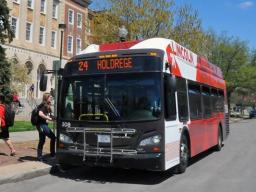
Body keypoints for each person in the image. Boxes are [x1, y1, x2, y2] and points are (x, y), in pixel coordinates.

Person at [36, 93, 56, 161]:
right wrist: (48, 118)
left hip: (43, 125)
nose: (51, 98)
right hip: (41, 125)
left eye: (51, 97)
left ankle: (40, 156)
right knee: (52, 137)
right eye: (50, 97)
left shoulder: (48, 106)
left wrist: (55, 118)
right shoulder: (43, 105)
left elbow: (50, 115)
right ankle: (52, 154)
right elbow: (40, 114)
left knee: (42, 140)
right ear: (46, 98)